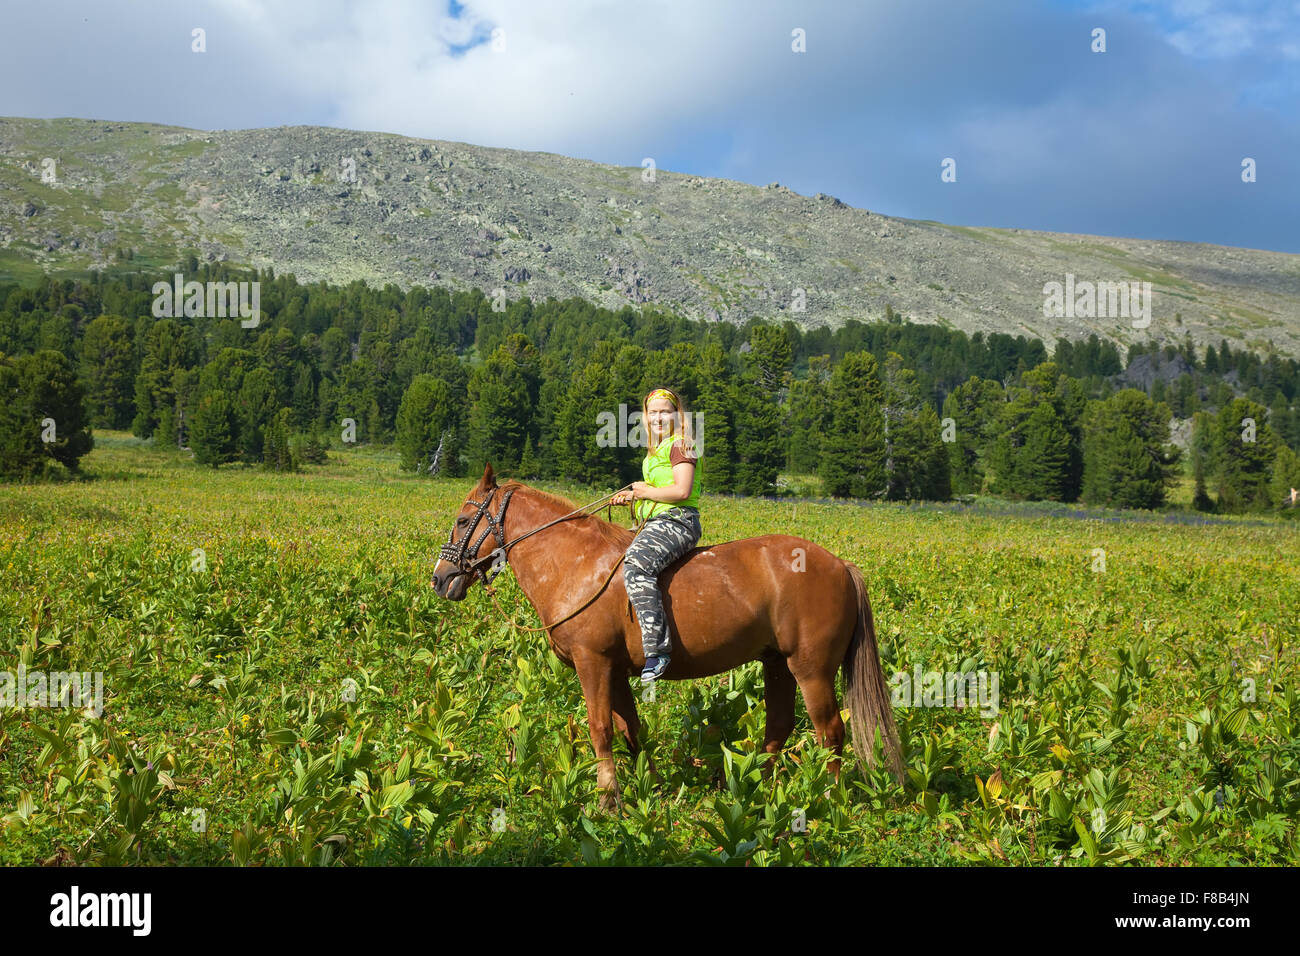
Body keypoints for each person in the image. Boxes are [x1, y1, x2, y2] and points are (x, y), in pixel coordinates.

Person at [611, 387, 703, 682]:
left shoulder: (683, 445)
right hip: (655, 520)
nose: (659, 417)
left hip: (678, 521)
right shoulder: (655, 451)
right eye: (653, 412)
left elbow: (681, 491)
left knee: (636, 565)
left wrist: (645, 491)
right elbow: (657, 492)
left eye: (666, 411)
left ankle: (658, 650)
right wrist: (633, 497)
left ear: (678, 415)